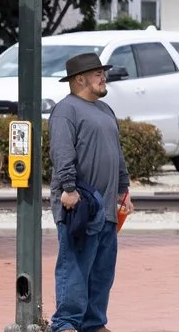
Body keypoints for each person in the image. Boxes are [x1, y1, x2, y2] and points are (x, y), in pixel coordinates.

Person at [49, 51, 130, 332]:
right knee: (75, 267)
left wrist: (123, 190)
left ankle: (94, 324)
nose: (103, 77)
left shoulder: (105, 110)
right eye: (98, 74)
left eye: (102, 73)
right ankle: (65, 324)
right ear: (80, 79)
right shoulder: (66, 110)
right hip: (79, 204)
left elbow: (116, 154)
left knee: (102, 271)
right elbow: (62, 152)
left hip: (106, 207)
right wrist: (69, 189)